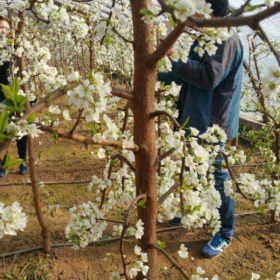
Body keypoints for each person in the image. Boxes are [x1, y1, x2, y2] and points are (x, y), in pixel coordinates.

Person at [158, 0, 243, 258]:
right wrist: (153, 70)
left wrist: (173, 58)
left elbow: (208, 77)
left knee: (218, 178)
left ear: (209, 9)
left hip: (212, 123)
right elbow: (186, 69)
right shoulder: (207, 35)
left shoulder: (226, 37)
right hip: (195, 118)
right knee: (193, 169)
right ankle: (191, 210)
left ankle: (225, 233)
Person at [0, 15, 30, 177]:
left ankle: (22, 160)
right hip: (0, 97)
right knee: (2, 129)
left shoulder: (16, 48)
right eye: (0, 28)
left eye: (5, 28)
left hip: (17, 96)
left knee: (20, 129)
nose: (2, 31)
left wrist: (29, 97)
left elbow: (25, 73)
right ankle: (3, 162)